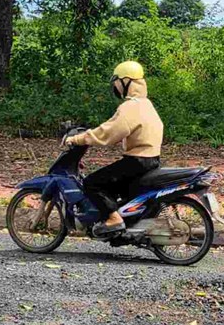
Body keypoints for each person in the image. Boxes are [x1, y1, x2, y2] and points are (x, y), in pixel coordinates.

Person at [66, 61, 164, 236]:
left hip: (137, 161)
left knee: (91, 183)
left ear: (125, 82)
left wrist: (78, 139)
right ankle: (120, 217)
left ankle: (114, 220)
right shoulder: (146, 104)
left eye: (117, 82)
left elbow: (107, 133)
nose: (116, 87)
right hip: (151, 160)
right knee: (111, 185)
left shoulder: (130, 107)